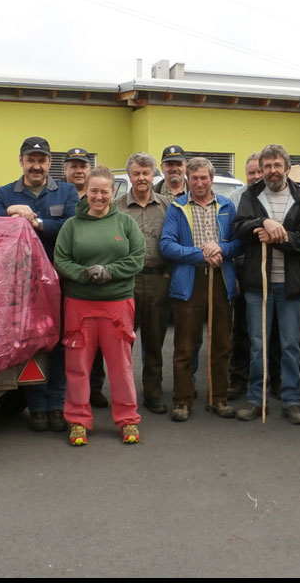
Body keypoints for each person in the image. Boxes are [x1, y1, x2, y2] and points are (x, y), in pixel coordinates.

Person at [0, 136, 79, 433]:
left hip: (59, 281)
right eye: (31, 159)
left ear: (50, 163)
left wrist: (37, 225)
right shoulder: (4, 193)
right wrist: (11, 214)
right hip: (22, 287)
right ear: (21, 161)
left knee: (60, 345)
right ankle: (36, 407)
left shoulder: (66, 191)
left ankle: (56, 405)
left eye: (41, 160)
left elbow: (73, 228)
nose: (36, 165)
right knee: (29, 345)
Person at [54, 166, 146, 446]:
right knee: (78, 365)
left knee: (121, 366)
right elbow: (61, 259)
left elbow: (137, 257)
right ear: (86, 192)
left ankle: (127, 419)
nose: (98, 196)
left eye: (104, 191)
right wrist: (84, 274)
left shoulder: (126, 223)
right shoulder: (72, 225)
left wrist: (109, 272)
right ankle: (78, 420)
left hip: (117, 304)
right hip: (80, 305)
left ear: (112, 192)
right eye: (93, 191)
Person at [233, 144, 300, 424]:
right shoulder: (251, 195)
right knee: (258, 345)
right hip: (259, 285)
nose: (272, 171)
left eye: (276, 165)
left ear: (286, 167)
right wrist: (264, 222)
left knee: (291, 345)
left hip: (290, 285)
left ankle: (292, 400)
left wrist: (279, 238)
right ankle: (257, 399)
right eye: (267, 166)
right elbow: (240, 227)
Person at [160, 157, 242, 422]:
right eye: (194, 178)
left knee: (220, 343)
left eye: (203, 178)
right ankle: (182, 400)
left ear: (211, 179)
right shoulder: (177, 207)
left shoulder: (227, 206)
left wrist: (221, 248)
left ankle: (218, 398)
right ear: (187, 180)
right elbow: (167, 245)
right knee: (185, 344)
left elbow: (238, 244)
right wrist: (200, 254)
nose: (198, 183)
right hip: (189, 281)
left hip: (221, 281)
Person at [116, 152, 172, 414]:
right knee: (122, 344)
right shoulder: (115, 207)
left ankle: (153, 394)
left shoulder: (167, 205)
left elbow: (177, 239)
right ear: (129, 175)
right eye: (136, 173)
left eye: (146, 173)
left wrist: (169, 271)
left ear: (153, 175)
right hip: (126, 282)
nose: (141, 177)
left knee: (154, 342)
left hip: (157, 279)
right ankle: (122, 396)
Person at [228, 153, 283, 401]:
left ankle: (276, 381)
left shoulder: (276, 196)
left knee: (274, 333)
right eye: (251, 172)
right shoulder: (236, 199)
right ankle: (239, 379)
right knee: (242, 331)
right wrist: (233, 276)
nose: (256, 176)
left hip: (273, 272)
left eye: (258, 172)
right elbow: (232, 237)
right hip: (244, 272)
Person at [61, 147, 108, 409]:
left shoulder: (101, 198)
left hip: (103, 282)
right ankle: (72, 392)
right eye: (73, 166)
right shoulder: (61, 195)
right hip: (71, 278)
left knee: (100, 342)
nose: (78, 170)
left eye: (83, 165)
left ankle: (95, 388)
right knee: (74, 340)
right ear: (65, 170)